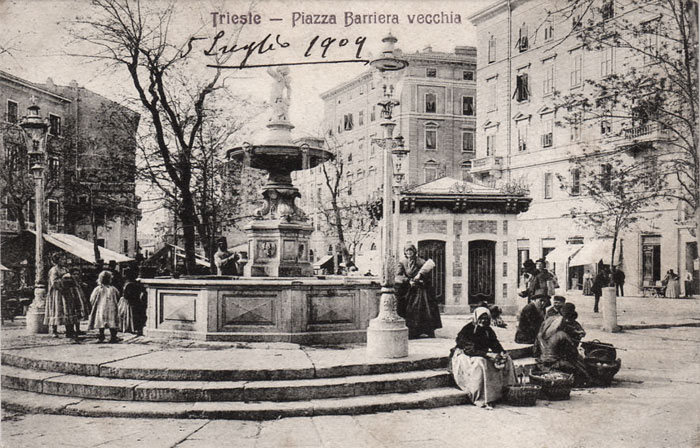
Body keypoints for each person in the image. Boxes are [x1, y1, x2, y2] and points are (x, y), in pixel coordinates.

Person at [449, 307, 516, 409]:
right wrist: (488, 355)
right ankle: (483, 397)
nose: (483, 321)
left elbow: (494, 343)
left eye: (486, 318)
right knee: (480, 363)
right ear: (476, 318)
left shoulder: (488, 330)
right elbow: (469, 350)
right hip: (465, 355)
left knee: (508, 360)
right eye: (481, 318)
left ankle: (508, 392)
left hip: (481, 353)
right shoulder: (467, 329)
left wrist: (502, 352)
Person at [535, 307, 593, 387]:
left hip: (542, 360)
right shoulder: (562, 335)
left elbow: (536, 350)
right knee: (580, 364)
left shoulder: (541, 334)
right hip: (554, 362)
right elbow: (573, 353)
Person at [395, 244, 442, 339]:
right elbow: (398, 276)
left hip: (421, 289)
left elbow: (428, 276)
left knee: (423, 309)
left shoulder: (421, 262)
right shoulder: (403, 262)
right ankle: (412, 331)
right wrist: (408, 281)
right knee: (408, 309)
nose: (409, 253)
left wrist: (420, 279)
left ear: (414, 251)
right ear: (405, 252)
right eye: (407, 251)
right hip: (408, 288)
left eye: (411, 251)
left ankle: (426, 330)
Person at [43, 253, 81, 341]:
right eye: (62, 259)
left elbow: (71, 279)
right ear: (57, 260)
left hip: (67, 292)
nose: (64, 261)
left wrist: (71, 279)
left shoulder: (65, 269)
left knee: (68, 311)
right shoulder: (54, 270)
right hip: (57, 293)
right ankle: (53, 330)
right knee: (56, 310)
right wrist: (63, 280)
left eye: (65, 259)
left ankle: (69, 330)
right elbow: (54, 282)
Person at [88, 270, 121, 343]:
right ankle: (113, 337)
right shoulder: (113, 289)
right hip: (111, 308)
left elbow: (92, 298)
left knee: (101, 322)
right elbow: (118, 296)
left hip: (101, 307)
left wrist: (93, 304)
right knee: (112, 321)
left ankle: (101, 336)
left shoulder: (98, 289)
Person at [118, 268, 147, 336]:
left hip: (129, 302)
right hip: (133, 301)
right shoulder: (135, 283)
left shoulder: (129, 284)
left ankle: (129, 327)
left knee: (128, 315)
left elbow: (127, 295)